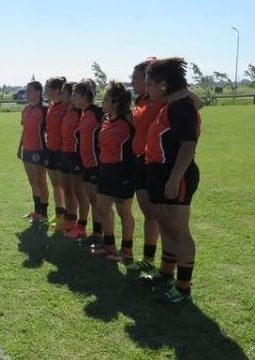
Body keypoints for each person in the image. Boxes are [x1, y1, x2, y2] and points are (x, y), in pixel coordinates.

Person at [143, 58, 201, 304]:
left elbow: (189, 145)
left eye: (150, 84)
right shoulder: (170, 103)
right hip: (162, 174)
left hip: (176, 176)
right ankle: (166, 273)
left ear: (164, 84)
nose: (147, 89)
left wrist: (175, 179)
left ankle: (183, 287)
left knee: (179, 231)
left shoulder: (181, 106)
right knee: (166, 225)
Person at [126, 59, 166, 272]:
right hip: (138, 159)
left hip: (154, 160)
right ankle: (148, 258)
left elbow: (196, 102)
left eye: (136, 78)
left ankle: (156, 262)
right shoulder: (140, 101)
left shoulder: (162, 100)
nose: (132, 81)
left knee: (156, 212)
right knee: (147, 210)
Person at [93, 82, 135, 261]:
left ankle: (126, 251)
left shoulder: (129, 120)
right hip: (105, 171)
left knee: (123, 212)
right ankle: (109, 245)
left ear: (116, 102)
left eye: (106, 98)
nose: (102, 101)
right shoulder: (105, 119)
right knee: (102, 208)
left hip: (122, 172)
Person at [71, 80, 104, 242]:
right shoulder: (83, 113)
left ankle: (100, 234)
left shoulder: (97, 113)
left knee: (98, 201)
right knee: (92, 199)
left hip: (96, 165)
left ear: (85, 95)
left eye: (75, 95)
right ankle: (97, 232)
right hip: (86, 163)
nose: (72, 98)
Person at [60, 82, 90, 237]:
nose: (64, 96)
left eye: (66, 94)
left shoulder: (80, 113)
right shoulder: (68, 111)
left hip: (76, 156)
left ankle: (82, 225)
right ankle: (71, 219)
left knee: (80, 193)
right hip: (65, 154)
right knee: (67, 190)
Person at [17, 81, 49, 223]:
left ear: (38, 92)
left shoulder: (44, 109)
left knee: (40, 182)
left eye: (29, 91)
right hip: (27, 150)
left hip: (39, 150)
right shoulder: (26, 109)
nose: (27, 93)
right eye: (26, 90)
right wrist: (20, 147)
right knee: (32, 182)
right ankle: (37, 211)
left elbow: (51, 131)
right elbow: (24, 130)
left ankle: (43, 213)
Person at [43, 77, 68, 229]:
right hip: (50, 150)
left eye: (48, 88)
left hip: (61, 152)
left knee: (64, 186)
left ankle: (67, 218)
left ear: (57, 90)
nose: (45, 92)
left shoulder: (65, 107)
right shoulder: (51, 106)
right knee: (55, 184)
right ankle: (59, 214)